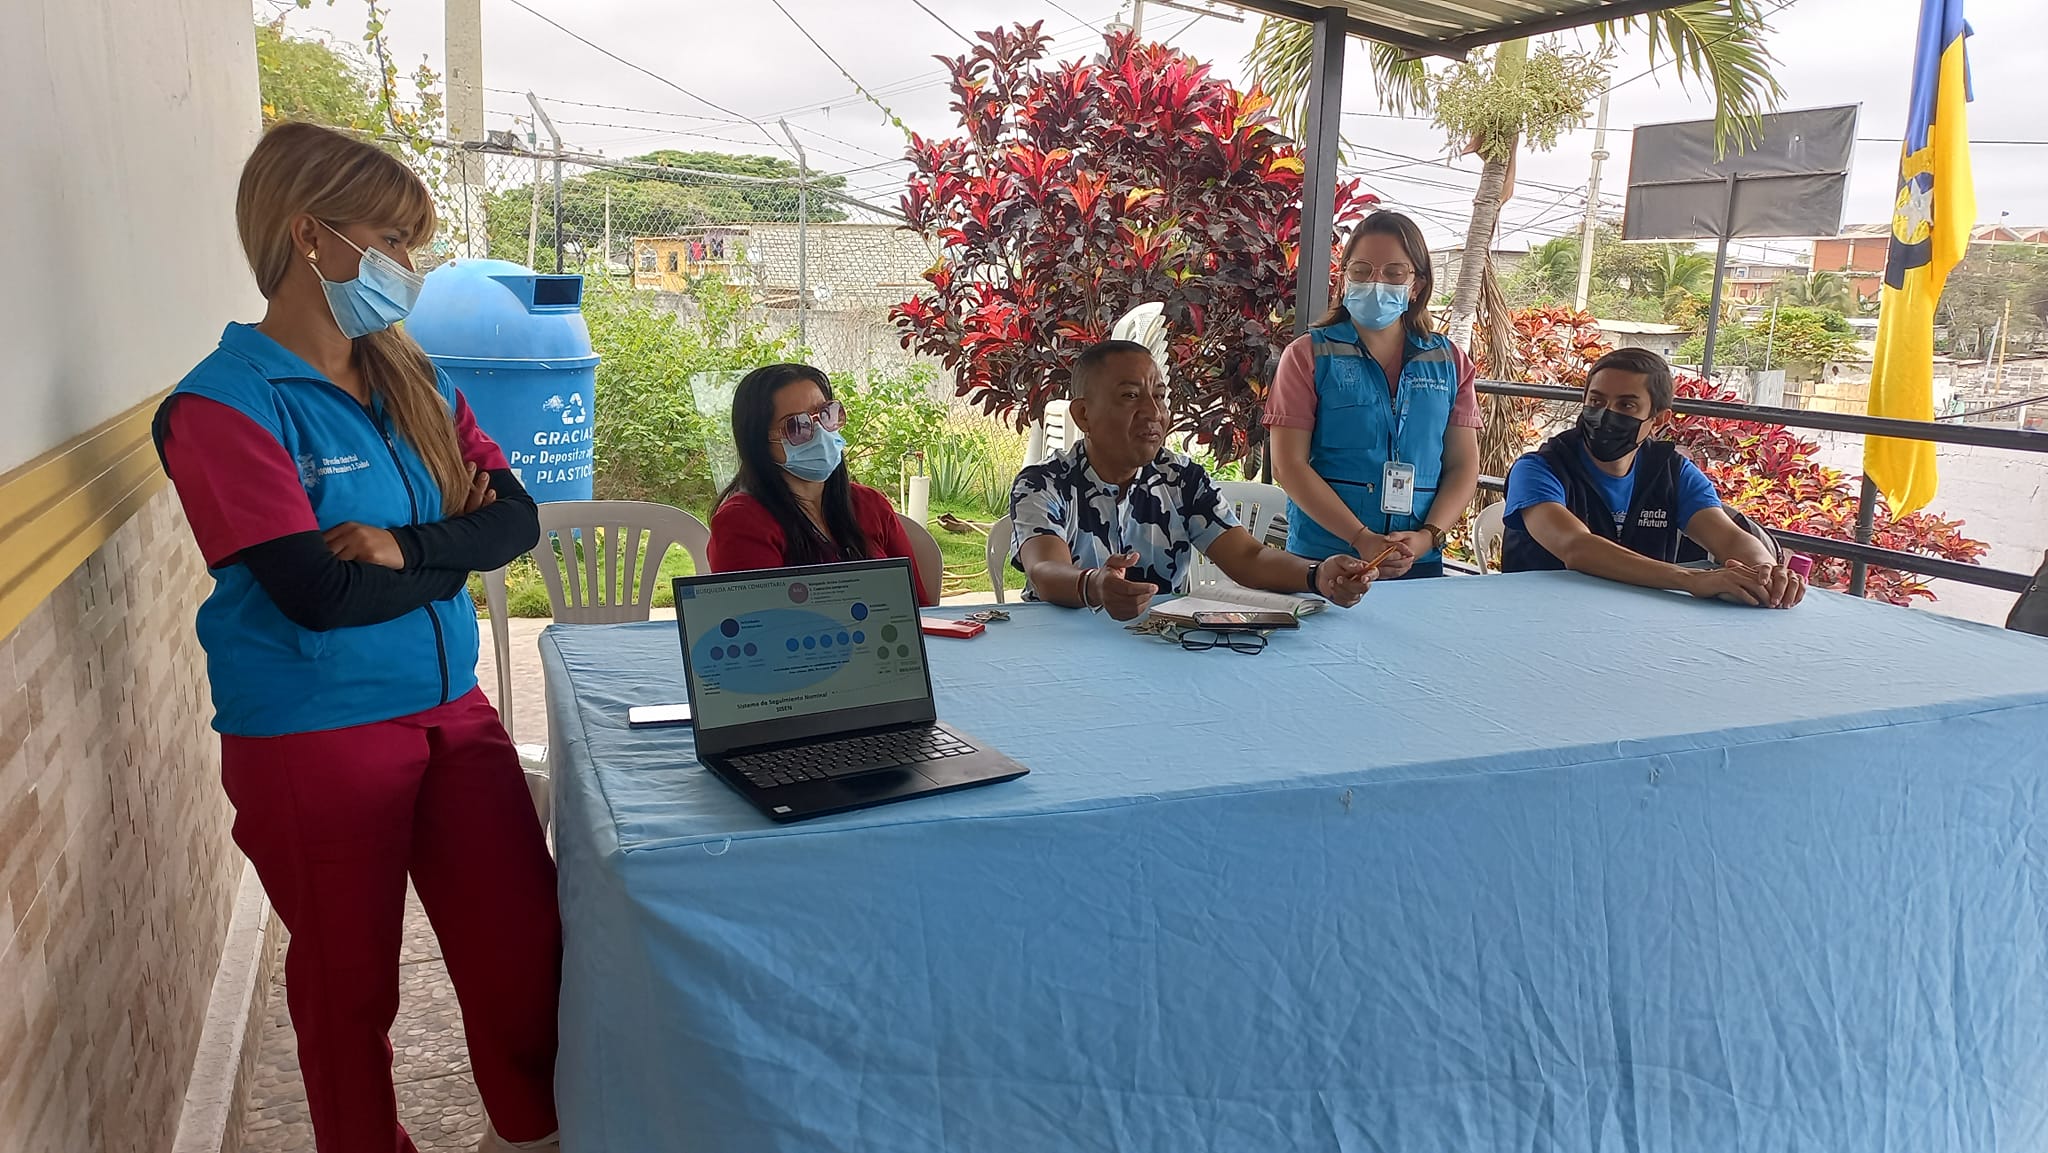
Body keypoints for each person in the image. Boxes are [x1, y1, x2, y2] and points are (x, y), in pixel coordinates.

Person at [153, 123, 561, 1152]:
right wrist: (450, 552)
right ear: (310, 235)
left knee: (522, 951)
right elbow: (318, 595)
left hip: (451, 710)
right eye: (391, 240)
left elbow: (515, 521)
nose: (408, 268)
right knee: (350, 989)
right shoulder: (223, 406)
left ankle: (535, 1133)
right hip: (313, 730)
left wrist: (401, 548)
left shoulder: (413, 380)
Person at [1010, 340, 1383, 620]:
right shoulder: (1044, 483)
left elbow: (1248, 558)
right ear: (1083, 415)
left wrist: (1318, 575)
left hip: (1154, 648)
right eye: (1130, 396)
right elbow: (1044, 570)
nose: (1154, 412)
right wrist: (1093, 585)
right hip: (1058, 647)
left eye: (1160, 396)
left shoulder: (1181, 479)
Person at [1267, 209, 1483, 579]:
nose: (1376, 282)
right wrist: (1361, 538)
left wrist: (1427, 537)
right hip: (1325, 560)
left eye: (1394, 273)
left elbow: (1463, 466)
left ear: (1416, 285)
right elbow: (1288, 465)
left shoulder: (1450, 362)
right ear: (1344, 279)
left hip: (1415, 561)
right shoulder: (1308, 355)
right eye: (1361, 270)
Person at [1501, 347, 1806, 609]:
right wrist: (1692, 579)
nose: (1606, 414)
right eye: (1596, 401)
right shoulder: (1539, 468)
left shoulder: (1672, 473)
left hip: (1639, 621)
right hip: (1541, 614)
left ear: (1658, 419)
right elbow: (1576, 547)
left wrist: (1766, 573)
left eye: (1626, 405)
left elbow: (1728, 537)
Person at [708, 363, 938, 605]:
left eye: (826, 413)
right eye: (796, 425)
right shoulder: (741, 523)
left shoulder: (870, 505)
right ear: (759, 441)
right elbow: (758, 620)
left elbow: (918, 607)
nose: (820, 433)